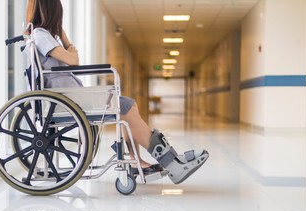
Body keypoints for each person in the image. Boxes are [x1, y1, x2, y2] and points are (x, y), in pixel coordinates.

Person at [25, 0, 209, 184]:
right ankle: (171, 163)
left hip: (70, 98)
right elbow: (73, 60)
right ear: (54, 13)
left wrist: (60, 34)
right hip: (67, 100)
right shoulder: (41, 36)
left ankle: (146, 161)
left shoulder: (43, 36)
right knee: (125, 107)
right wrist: (69, 46)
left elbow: (71, 58)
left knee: (129, 105)